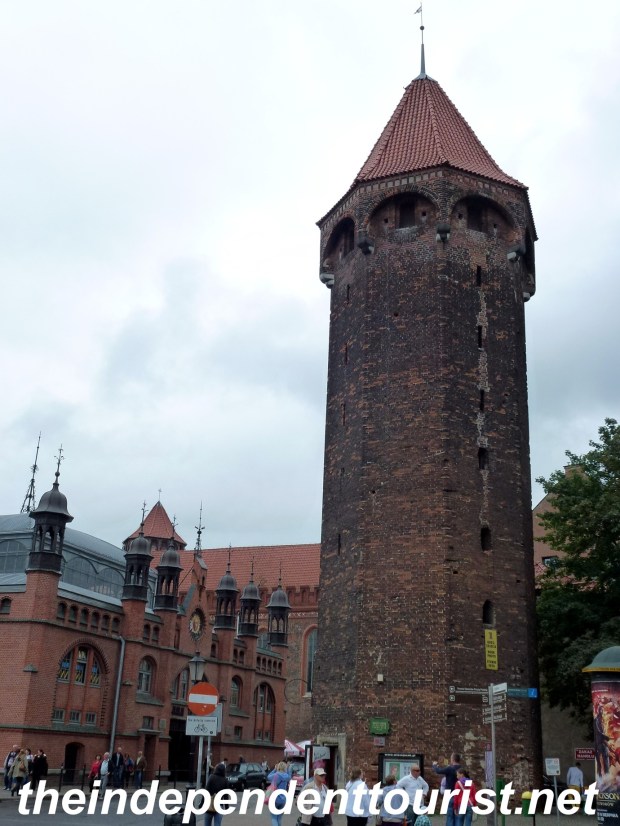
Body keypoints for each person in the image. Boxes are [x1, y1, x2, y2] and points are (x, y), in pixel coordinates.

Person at [432, 753, 461, 826]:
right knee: (458, 817)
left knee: (450, 817)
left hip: (450, 794)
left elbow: (438, 771)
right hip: (460, 795)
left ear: (453, 759)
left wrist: (435, 765)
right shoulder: (462, 769)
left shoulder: (449, 768)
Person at [267, 761, 292, 826]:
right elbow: (290, 775)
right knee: (279, 818)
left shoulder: (276, 775)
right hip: (283, 800)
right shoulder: (287, 776)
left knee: (274, 818)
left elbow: (268, 776)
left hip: (274, 799)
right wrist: (288, 768)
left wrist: (275, 769)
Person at [205, 761, 228, 826]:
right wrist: (226, 807)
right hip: (219, 805)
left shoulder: (211, 777)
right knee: (217, 824)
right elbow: (225, 795)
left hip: (209, 804)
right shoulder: (225, 780)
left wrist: (202, 803)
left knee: (207, 824)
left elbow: (206, 791)